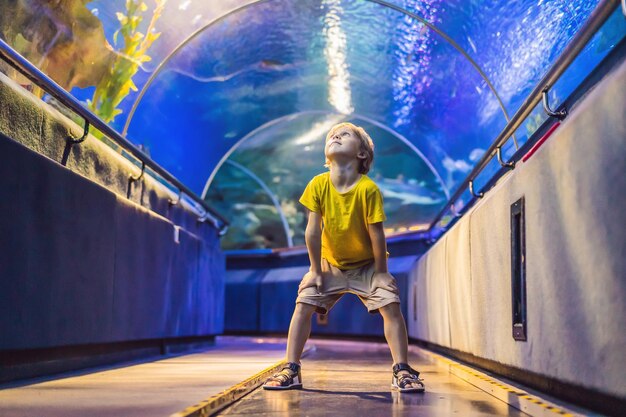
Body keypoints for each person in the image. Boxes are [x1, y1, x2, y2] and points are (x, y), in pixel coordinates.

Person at [263, 122, 425, 393]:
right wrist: (315, 270)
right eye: (331, 135)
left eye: (345, 134)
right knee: (303, 303)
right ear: (326, 154)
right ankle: (291, 367)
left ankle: (402, 369)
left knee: (391, 306)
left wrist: (382, 272)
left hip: (368, 266)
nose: (335, 135)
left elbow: (377, 235)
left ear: (361, 154)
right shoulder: (318, 184)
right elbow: (313, 231)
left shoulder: (368, 189)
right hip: (331, 265)